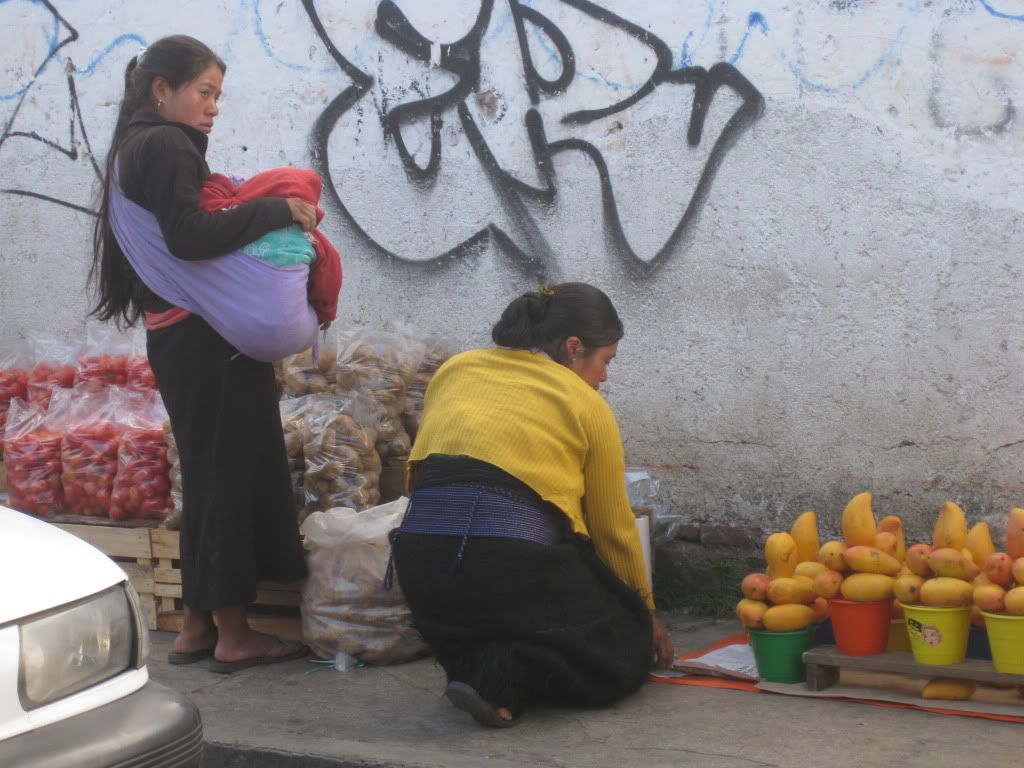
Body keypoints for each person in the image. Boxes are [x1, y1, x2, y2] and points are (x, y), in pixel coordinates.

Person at [89, 35, 316, 673]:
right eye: (203, 92)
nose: (213, 107)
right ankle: (235, 635)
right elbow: (188, 237)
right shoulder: (163, 145)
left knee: (209, 473)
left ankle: (194, 625)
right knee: (226, 477)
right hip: (202, 340)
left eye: (218, 95)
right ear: (162, 90)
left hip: (182, 339)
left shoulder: (137, 145)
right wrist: (275, 210)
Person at [389, 282, 675, 727]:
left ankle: (484, 677)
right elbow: (610, 527)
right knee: (619, 647)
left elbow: (431, 468)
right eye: (605, 362)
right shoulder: (585, 403)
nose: (604, 377)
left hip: (420, 560)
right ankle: (511, 679)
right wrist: (646, 613)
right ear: (573, 347)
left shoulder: (456, 369)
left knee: (484, 601)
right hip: (509, 562)